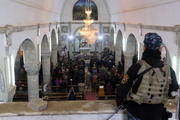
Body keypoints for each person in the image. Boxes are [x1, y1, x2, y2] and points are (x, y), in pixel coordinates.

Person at [116, 33, 179, 120]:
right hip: (157, 114)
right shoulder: (168, 69)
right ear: (160, 48)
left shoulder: (136, 67)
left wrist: (120, 104)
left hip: (137, 112)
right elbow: (174, 90)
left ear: (144, 47)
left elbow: (122, 90)